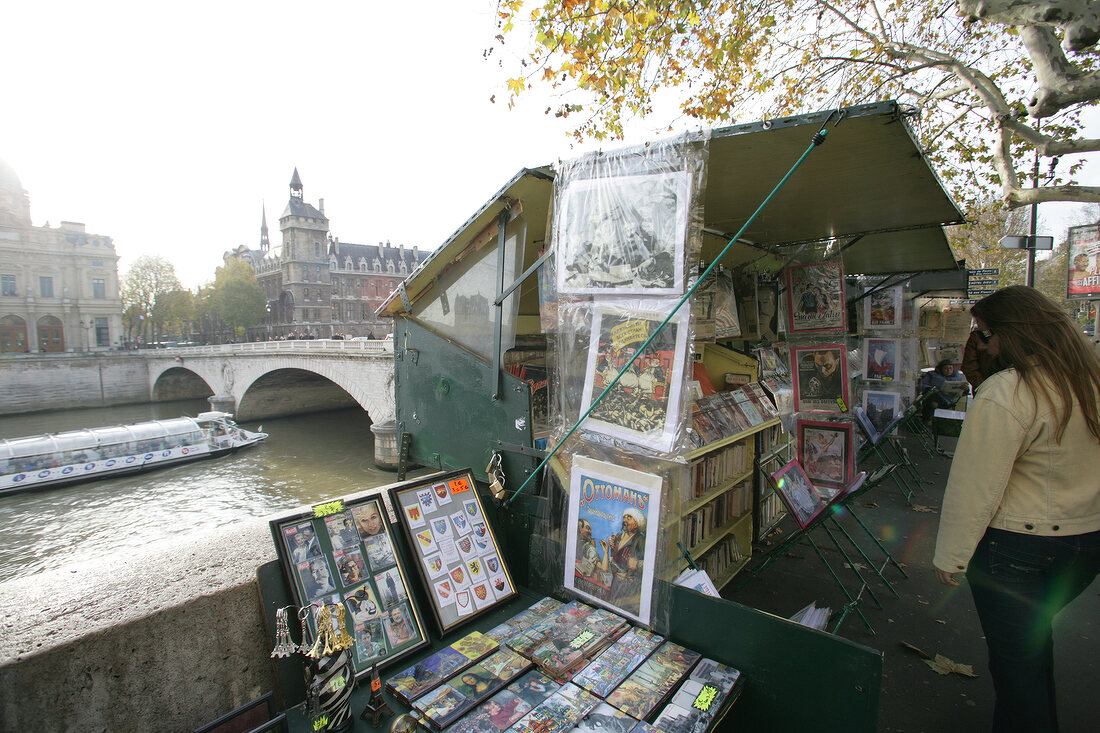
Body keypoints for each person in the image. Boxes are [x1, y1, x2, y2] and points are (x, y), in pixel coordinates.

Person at [933, 286, 1100, 733]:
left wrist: (951, 556)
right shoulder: (1088, 378)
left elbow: (975, 486)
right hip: (1086, 542)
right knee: (1030, 646)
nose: (979, 346)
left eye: (983, 335)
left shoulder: (1007, 391)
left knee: (1016, 669)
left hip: (1016, 547)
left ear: (1009, 334)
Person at [600, 508, 646, 612]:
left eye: (629, 518)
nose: (625, 520)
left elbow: (650, 565)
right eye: (624, 517)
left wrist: (637, 564)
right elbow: (617, 560)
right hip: (616, 582)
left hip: (630, 587)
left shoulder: (640, 540)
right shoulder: (619, 536)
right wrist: (612, 549)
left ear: (637, 523)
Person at [962, 327, 998, 391]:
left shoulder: (1013, 335)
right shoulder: (978, 336)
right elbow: (969, 367)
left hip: (1008, 388)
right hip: (986, 387)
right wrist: (984, 386)